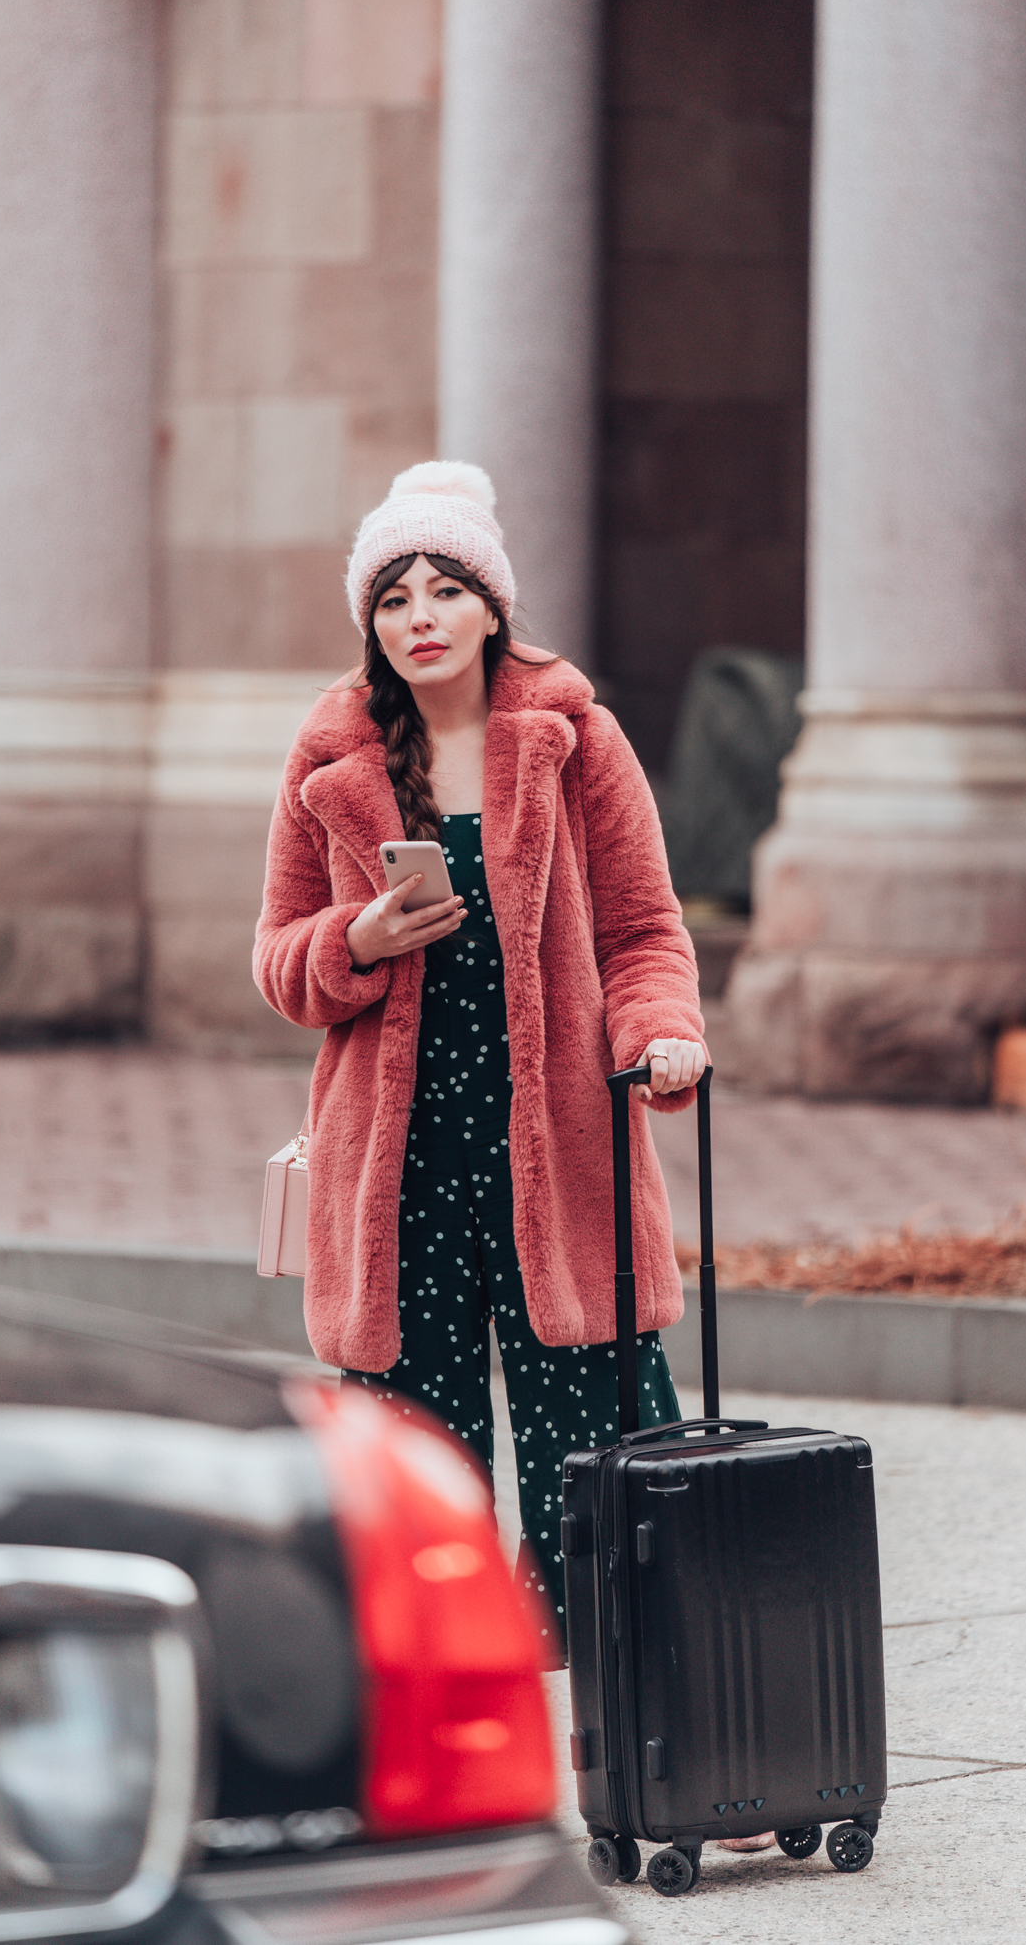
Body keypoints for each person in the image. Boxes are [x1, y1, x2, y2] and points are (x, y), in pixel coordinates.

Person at [253, 460, 707, 1665]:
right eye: (392, 598)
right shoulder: (327, 760)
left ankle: (677, 1737)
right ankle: (435, 1739)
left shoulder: (572, 741)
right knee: (414, 1467)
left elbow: (643, 930)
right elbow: (277, 962)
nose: (418, 618)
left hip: (555, 1150)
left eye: (442, 590)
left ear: (491, 607)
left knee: (606, 1461)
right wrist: (354, 940)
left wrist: (659, 1036)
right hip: (398, 1168)